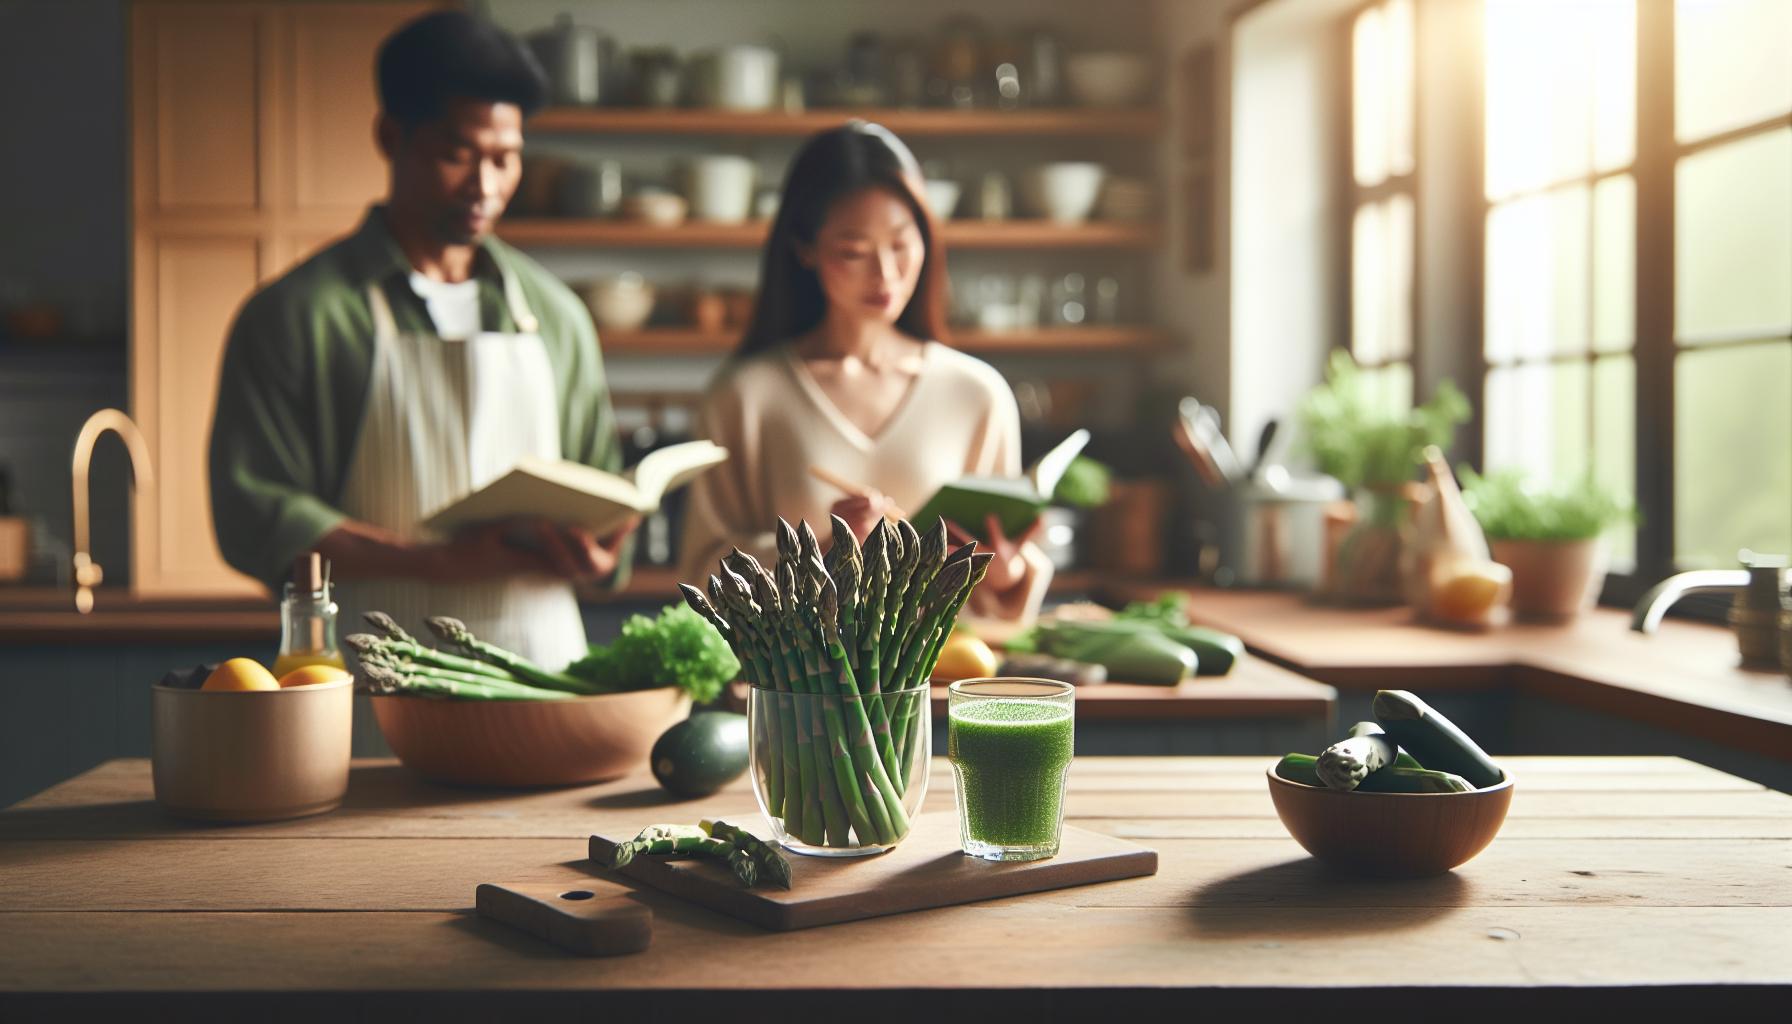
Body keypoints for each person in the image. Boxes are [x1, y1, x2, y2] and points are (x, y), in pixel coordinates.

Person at [209, 11, 631, 670]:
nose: (485, 187)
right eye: (457, 154)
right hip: (367, 678)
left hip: (545, 676)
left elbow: (599, 483)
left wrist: (600, 552)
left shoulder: (557, 315)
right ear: (390, 136)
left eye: (506, 158)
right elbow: (254, 514)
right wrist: (435, 563)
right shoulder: (298, 316)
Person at [678, 122, 1051, 623]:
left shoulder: (976, 394)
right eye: (854, 252)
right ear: (805, 249)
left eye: (901, 245)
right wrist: (821, 553)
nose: (885, 275)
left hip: (935, 686)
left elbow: (992, 590)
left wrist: (1006, 574)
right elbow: (702, 575)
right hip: (794, 694)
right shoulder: (746, 396)